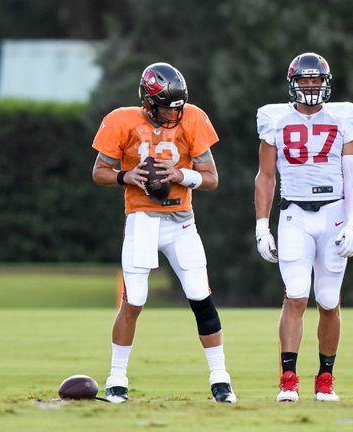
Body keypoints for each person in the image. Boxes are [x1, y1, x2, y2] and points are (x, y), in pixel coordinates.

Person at [91, 62, 236, 403]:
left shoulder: (193, 118)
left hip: (181, 221)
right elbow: (99, 171)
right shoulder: (122, 120)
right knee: (134, 301)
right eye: (164, 108)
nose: (172, 115)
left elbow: (212, 178)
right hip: (142, 219)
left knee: (201, 297)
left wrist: (179, 175)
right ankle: (116, 379)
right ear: (146, 101)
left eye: (176, 108)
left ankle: (221, 379)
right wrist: (128, 176)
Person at [254, 52, 353, 402]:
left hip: (333, 213)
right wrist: (261, 225)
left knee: (329, 300)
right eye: (305, 81)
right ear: (294, 84)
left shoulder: (343, 116)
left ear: (326, 83)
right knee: (297, 294)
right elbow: (266, 176)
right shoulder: (274, 118)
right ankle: (288, 379)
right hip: (294, 214)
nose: (311, 87)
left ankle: (325, 379)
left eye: (316, 81)